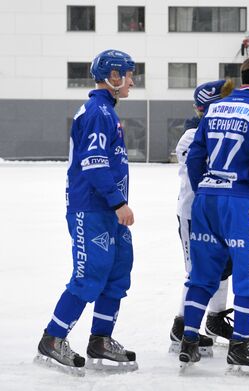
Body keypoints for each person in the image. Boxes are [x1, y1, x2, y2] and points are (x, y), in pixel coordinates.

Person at [34, 50, 138, 375]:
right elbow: (94, 163)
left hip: (108, 210)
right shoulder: (97, 112)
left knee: (118, 271)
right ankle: (53, 337)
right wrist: (118, 202)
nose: (133, 81)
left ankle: (100, 339)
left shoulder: (107, 111)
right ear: (114, 77)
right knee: (88, 274)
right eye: (129, 74)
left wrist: (117, 204)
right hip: (91, 209)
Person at [179, 55, 249, 374]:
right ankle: (239, 345)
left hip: (206, 199)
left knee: (203, 274)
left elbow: (195, 157)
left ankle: (189, 340)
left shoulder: (215, 108)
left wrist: (207, 187)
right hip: (241, 201)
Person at [169, 79, 236, 356]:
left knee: (223, 265)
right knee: (198, 271)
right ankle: (181, 325)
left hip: (217, 210)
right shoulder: (192, 135)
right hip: (194, 214)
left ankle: (215, 317)